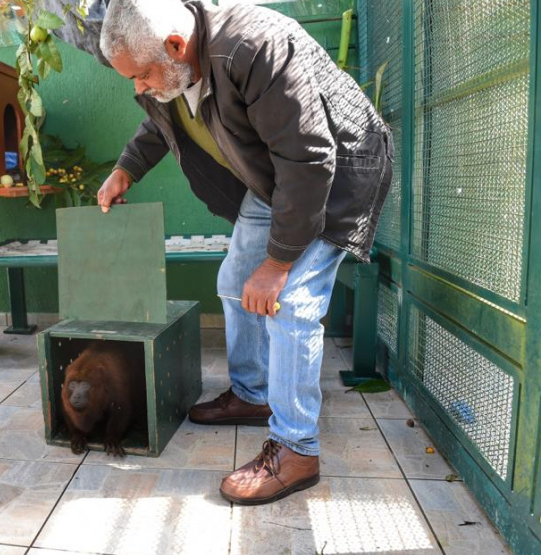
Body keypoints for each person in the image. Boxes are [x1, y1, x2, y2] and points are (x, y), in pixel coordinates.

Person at [97, 0, 392, 505]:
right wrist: (126, 168)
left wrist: (277, 264)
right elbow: (163, 117)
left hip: (335, 174)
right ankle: (254, 395)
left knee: (290, 303)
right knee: (236, 282)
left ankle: (297, 449)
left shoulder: (255, 48)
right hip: (275, 179)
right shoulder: (172, 69)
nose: (138, 88)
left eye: (141, 75)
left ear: (176, 46)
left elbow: (309, 158)